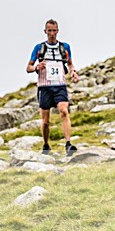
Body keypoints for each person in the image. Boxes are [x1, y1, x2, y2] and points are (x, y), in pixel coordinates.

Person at [27, 19, 80, 156]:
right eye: (49, 31)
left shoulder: (65, 47)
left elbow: (70, 64)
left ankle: (68, 144)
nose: (52, 33)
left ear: (57, 31)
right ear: (45, 32)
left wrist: (73, 72)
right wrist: (36, 67)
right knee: (45, 121)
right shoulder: (39, 48)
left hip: (60, 85)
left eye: (54, 30)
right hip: (44, 87)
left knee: (64, 112)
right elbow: (28, 67)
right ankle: (46, 144)